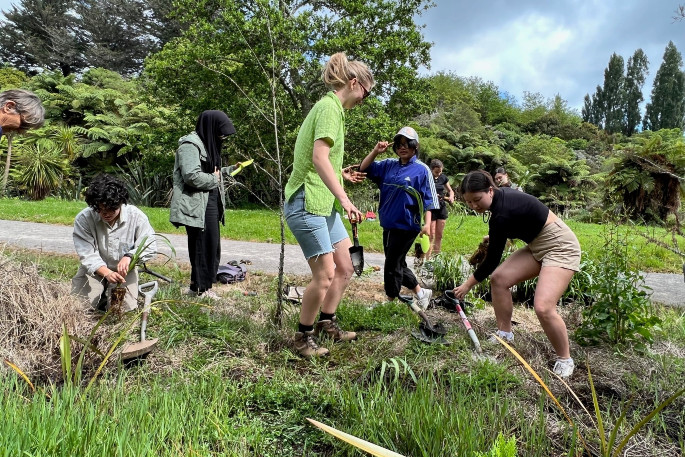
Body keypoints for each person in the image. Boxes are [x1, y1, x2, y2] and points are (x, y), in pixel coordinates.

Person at [452, 170, 580, 378]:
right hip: (537, 244)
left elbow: (492, 260)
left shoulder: (501, 213)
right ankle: (505, 334)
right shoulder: (500, 202)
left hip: (560, 246)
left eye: (477, 199)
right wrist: (496, 237)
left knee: (543, 307)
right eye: (468, 202)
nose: (474, 206)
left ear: (490, 191)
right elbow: (521, 219)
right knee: (500, 279)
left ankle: (565, 359)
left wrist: (467, 285)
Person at [283, 52, 370, 358]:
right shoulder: (330, 108)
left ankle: (326, 322)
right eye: (366, 93)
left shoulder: (334, 110)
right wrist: (345, 199)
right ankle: (302, 337)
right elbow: (318, 158)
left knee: (346, 267)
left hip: (323, 204)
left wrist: (340, 175)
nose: (364, 100)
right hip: (306, 202)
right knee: (325, 274)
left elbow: (322, 161)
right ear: (354, 83)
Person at [359, 126, 438, 310]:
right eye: (399, 144)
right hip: (388, 222)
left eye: (407, 144)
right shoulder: (388, 164)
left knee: (392, 263)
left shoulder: (422, 170)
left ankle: (390, 300)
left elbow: (430, 200)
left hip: (407, 224)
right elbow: (364, 168)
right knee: (397, 262)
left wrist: (427, 224)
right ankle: (421, 292)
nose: (403, 148)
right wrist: (375, 151)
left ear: (415, 146)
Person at [169, 110, 238, 299]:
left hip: (209, 200)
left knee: (211, 245)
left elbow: (211, 172)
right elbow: (191, 176)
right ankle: (202, 290)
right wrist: (215, 179)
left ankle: (198, 287)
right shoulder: (189, 145)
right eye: (220, 133)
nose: (222, 138)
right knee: (202, 246)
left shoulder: (207, 143)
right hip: (196, 204)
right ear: (210, 127)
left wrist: (230, 170)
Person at [72, 174, 157, 313]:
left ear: (121, 203)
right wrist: (106, 273)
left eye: (111, 209)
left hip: (124, 272)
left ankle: (106, 298)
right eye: (100, 209)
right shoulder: (84, 218)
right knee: (79, 306)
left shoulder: (136, 217)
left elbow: (150, 246)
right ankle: (100, 295)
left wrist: (130, 256)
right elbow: (87, 254)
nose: (106, 214)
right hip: (94, 269)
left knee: (121, 310)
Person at [426, 159, 454, 258]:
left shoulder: (443, 177)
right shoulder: (427, 177)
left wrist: (451, 197)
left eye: (440, 171)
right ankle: (427, 259)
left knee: (439, 235)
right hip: (431, 207)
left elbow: (450, 191)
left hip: (441, 207)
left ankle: (436, 259)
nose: (438, 173)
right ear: (432, 169)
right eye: (436, 172)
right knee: (431, 235)